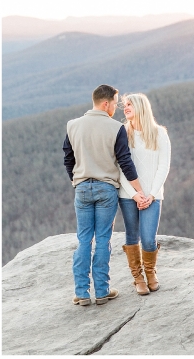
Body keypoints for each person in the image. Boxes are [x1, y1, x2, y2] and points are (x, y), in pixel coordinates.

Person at [63, 84, 148, 306]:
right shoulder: (115, 128)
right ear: (106, 103)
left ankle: (81, 293)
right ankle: (101, 291)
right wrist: (140, 191)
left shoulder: (72, 126)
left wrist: (77, 181)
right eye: (115, 103)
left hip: (81, 187)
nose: (116, 109)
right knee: (102, 239)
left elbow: (68, 159)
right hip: (106, 190)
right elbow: (125, 162)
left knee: (83, 240)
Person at [118, 93, 171, 295]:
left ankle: (150, 272)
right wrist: (134, 194)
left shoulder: (159, 133)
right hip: (128, 195)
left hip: (153, 195)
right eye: (124, 105)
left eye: (129, 104)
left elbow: (164, 166)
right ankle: (138, 277)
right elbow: (119, 167)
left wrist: (150, 194)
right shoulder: (122, 133)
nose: (126, 108)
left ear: (141, 107)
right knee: (132, 235)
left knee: (148, 239)